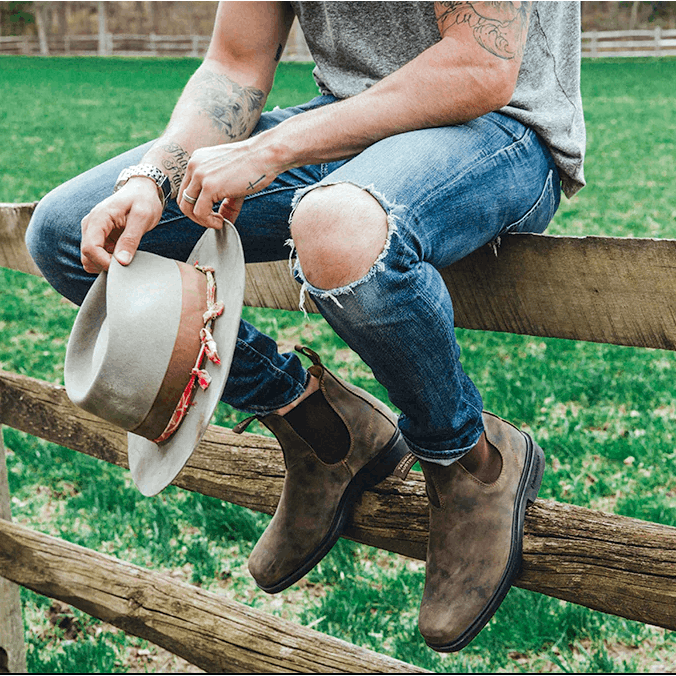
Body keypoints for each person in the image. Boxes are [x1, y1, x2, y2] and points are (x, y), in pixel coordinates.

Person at [25, 1, 585, 652]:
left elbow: (479, 66)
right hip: (345, 125)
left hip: (500, 128)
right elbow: (235, 62)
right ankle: (317, 425)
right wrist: (155, 177)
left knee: (337, 227)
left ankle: (469, 460)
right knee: (70, 235)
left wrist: (271, 148)